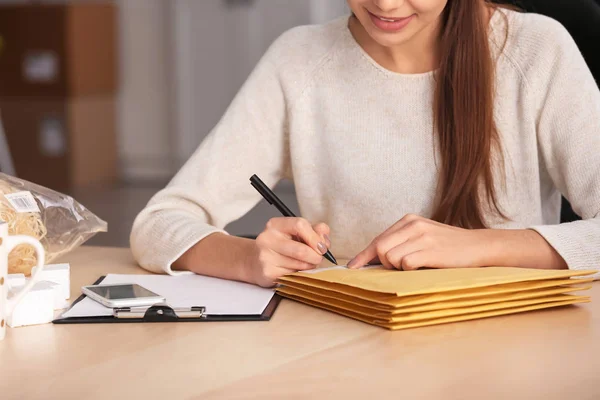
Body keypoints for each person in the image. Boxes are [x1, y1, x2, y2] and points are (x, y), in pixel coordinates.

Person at [131, 0, 600, 287]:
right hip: (346, 351)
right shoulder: (299, 60)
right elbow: (158, 224)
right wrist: (246, 257)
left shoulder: (535, 50)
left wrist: (476, 247)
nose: (387, 4)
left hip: (505, 354)